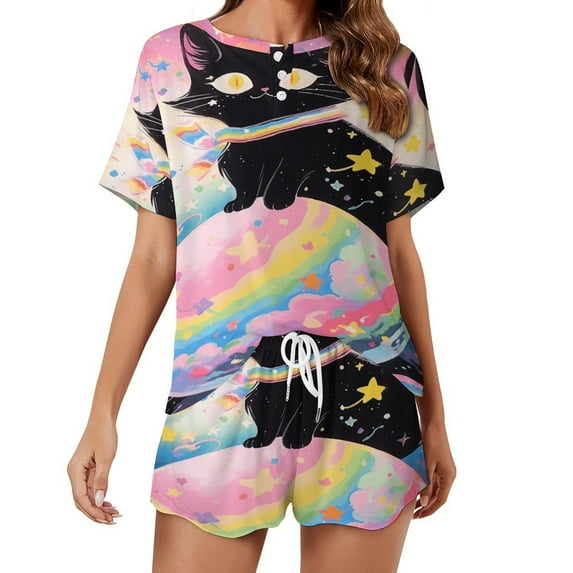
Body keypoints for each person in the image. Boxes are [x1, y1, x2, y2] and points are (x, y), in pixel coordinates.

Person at [67, 0, 456, 571]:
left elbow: (399, 255)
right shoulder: (169, 60)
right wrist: (103, 413)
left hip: (368, 398)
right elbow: (152, 257)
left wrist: (435, 418)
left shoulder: (386, 67)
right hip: (219, 400)